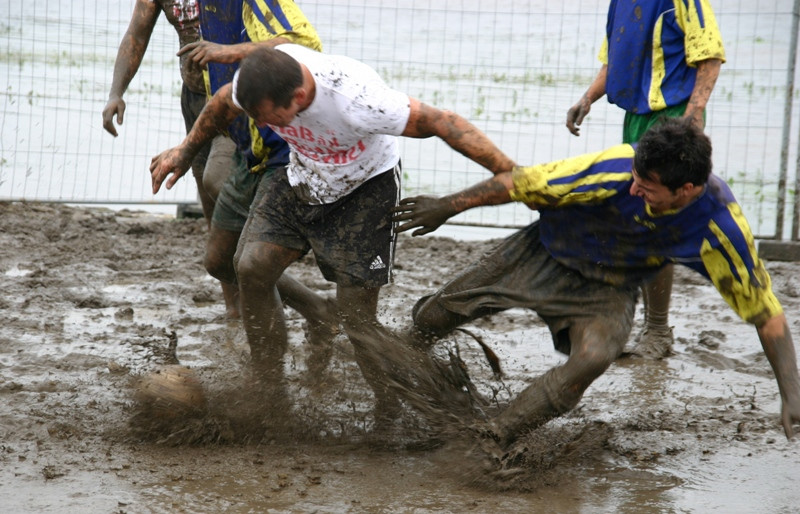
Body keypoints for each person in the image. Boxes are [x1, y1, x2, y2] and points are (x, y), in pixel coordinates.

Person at [149, 44, 517, 424]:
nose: (261, 124)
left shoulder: (358, 100)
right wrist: (184, 150)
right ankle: (270, 393)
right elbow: (224, 103)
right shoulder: (255, 82)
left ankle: (390, 406)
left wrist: (507, 171)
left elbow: (445, 122)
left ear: (300, 96)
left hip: (365, 190)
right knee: (251, 266)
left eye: (270, 118)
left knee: (358, 321)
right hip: (303, 176)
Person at [393, 117, 800, 449]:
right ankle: (390, 373)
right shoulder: (617, 168)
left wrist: (792, 392)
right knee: (435, 315)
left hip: (609, 289)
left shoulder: (719, 227)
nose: (635, 187)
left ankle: (495, 438)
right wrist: (447, 206)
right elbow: (521, 182)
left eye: (648, 187)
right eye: (636, 177)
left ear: (687, 190)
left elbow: (765, 313)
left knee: (593, 357)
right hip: (544, 252)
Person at [565, 0, 726, 359]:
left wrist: (693, 114)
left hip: (673, 116)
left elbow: (710, 56)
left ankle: (657, 329)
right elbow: (614, 60)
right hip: (636, 117)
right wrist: (588, 98)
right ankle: (629, 323)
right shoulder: (620, 3)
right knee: (633, 215)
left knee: (658, 220)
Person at [103, 0, 216, 222]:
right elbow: (137, 35)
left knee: (225, 180)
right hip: (196, 94)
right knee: (205, 184)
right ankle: (221, 248)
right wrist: (116, 94)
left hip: (238, 92)